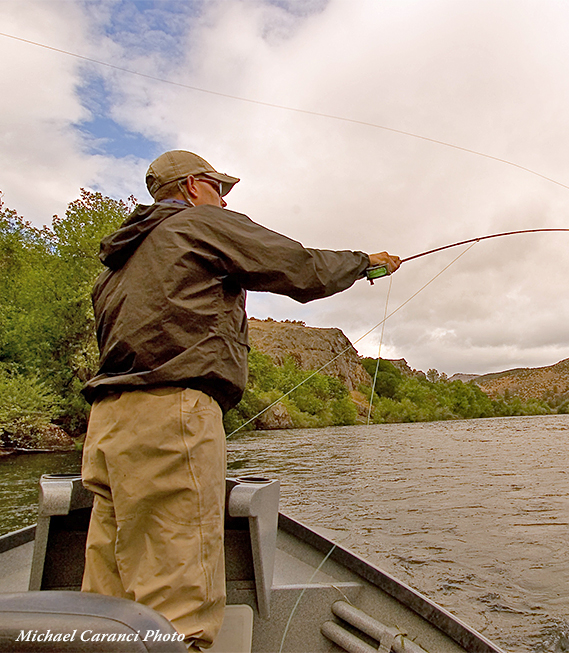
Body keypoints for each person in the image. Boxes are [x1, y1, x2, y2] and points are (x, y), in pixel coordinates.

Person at [80, 150, 400, 650]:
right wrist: (366, 263)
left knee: (106, 594)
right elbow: (299, 268)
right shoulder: (199, 224)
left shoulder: (116, 265)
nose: (225, 198)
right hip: (170, 416)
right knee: (176, 603)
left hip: (106, 426)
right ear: (191, 187)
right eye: (218, 187)